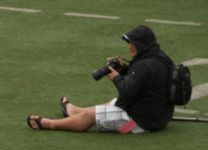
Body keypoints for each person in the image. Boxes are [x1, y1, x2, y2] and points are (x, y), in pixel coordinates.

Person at [27, 25, 174, 134]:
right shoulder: (159, 58)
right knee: (112, 103)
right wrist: (124, 68)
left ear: (142, 44)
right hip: (159, 116)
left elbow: (128, 91)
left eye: (132, 43)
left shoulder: (144, 65)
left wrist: (115, 76)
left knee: (91, 116)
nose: (130, 47)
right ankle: (75, 111)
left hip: (139, 123)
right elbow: (144, 82)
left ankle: (50, 124)